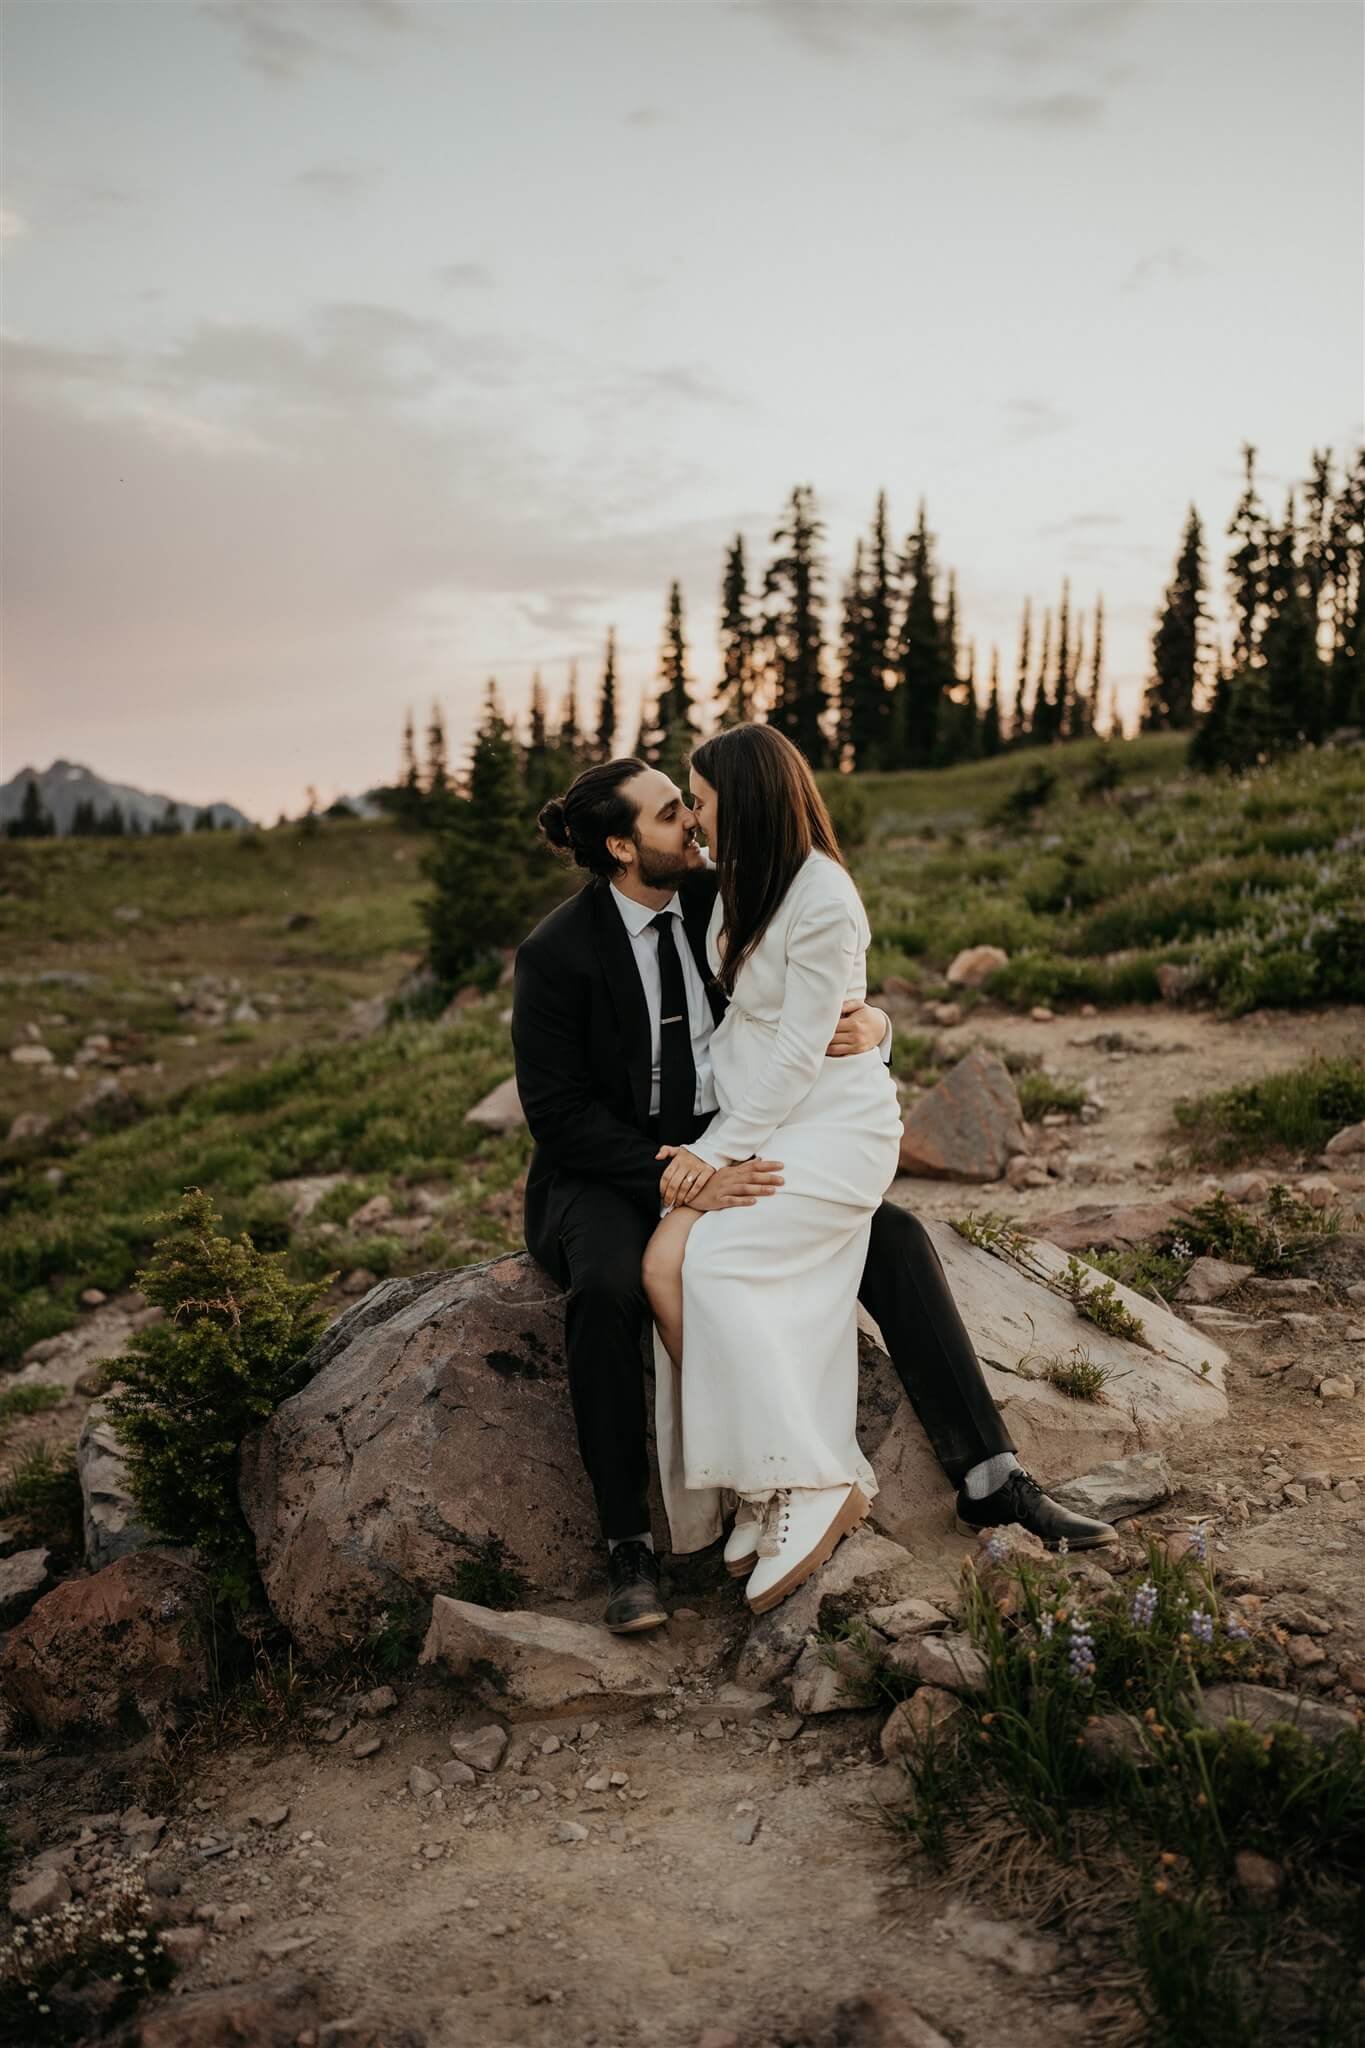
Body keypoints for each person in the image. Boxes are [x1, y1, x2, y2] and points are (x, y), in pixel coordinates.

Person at [511, 754, 1116, 1634]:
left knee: (892, 1237)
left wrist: (876, 1023)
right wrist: (676, 1172)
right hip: (614, 1166)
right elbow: (557, 1115)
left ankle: (990, 1477)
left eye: (692, 805)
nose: (692, 822)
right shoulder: (555, 952)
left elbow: (819, 982)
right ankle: (628, 1545)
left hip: (747, 1137)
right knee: (606, 1285)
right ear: (617, 846)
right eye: (669, 812)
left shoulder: (722, 893)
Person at [641, 725, 904, 1613]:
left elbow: (801, 1049)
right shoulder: (741, 884)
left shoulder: (823, 894)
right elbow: (744, 1033)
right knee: (695, 1266)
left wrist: (713, 1154)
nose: (694, 814)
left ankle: (813, 1480)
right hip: (769, 1122)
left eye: (701, 798)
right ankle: (764, 1479)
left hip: (830, 1127)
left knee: (723, 1263)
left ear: (741, 798)